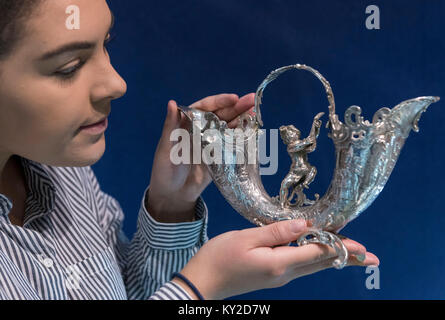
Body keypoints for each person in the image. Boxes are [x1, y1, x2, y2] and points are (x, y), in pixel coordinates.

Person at [0, 0, 379, 300]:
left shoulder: (65, 171)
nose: (117, 83)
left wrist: (172, 209)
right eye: (69, 66)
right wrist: (201, 287)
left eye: (106, 45)